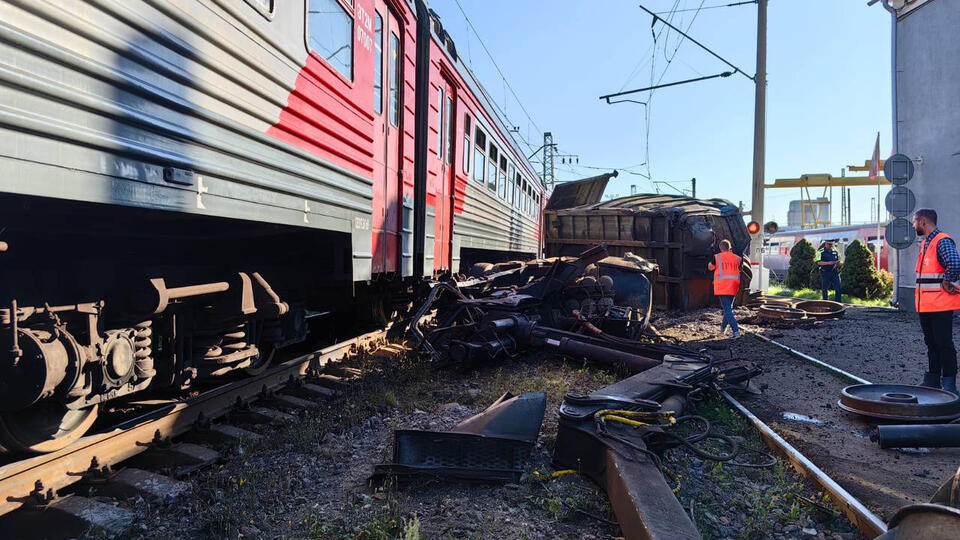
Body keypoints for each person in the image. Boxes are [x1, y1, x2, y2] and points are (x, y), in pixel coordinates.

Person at [913, 208, 960, 394]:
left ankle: (949, 385)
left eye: (915, 221)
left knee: (944, 344)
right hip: (926, 305)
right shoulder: (926, 244)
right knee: (931, 343)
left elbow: (955, 263)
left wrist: (948, 280)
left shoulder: (942, 241)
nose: (913, 225)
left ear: (923, 222)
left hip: (940, 305)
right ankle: (932, 380)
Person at [708, 239, 741, 338]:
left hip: (723, 286)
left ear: (720, 248)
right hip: (734, 286)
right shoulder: (738, 258)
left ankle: (736, 331)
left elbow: (710, 267)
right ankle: (722, 330)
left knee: (727, 310)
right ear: (730, 248)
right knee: (728, 309)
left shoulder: (717, 257)